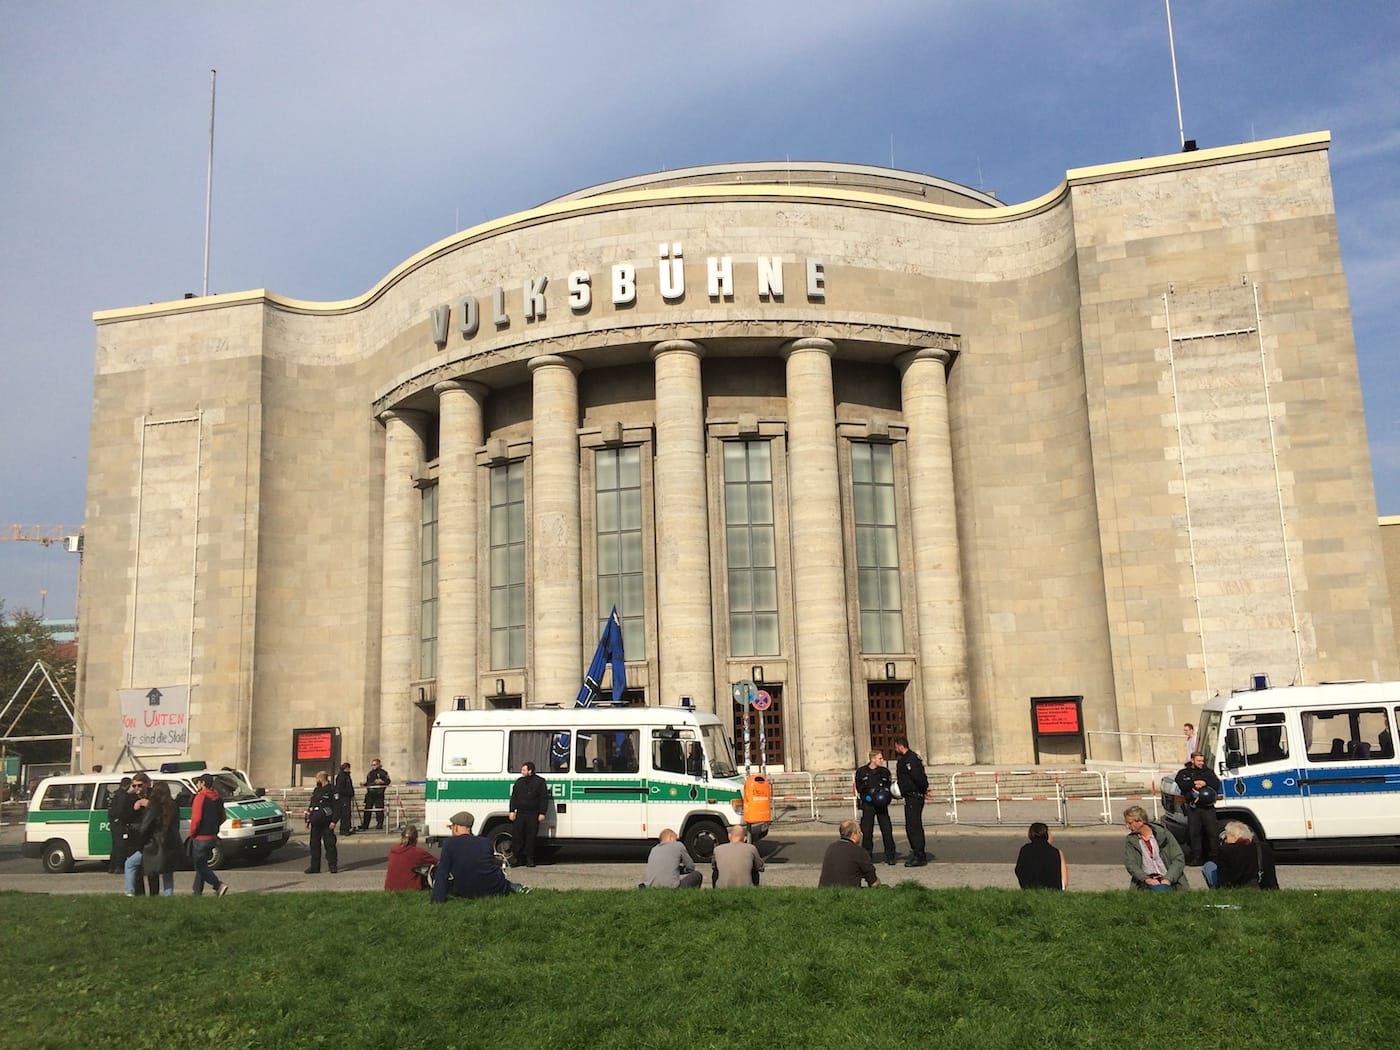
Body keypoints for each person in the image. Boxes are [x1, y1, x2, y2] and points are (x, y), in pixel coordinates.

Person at [431, 811, 528, 900]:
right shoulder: (485, 842)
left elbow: (442, 872)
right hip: (492, 887)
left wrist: (437, 899)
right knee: (501, 880)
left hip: (466, 889)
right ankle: (516, 887)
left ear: (456, 827)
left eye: (452, 826)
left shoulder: (449, 843)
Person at [1123, 805, 1189, 891]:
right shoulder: (1131, 840)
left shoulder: (1164, 834)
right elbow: (1131, 864)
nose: (1127, 826)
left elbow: (1178, 859)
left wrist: (1168, 879)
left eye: (1130, 823)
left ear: (1140, 821)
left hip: (1169, 880)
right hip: (1146, 882)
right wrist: (1146, 879)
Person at [1174, 751, 1222, 865]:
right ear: (1192, 760)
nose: (1201, 763)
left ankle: (1214, 857)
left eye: (1202, 761)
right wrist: (1194, 783)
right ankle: (1197, 857)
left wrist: (1205, 783)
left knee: (1212, 832)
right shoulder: (1184, 772)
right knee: (1194, 833)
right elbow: (1181, 784)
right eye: (1199, 761)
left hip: (1207, 808)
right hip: (1193, 808)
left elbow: (1216, 784)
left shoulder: (1208, 772)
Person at [1204, 821, 1279, 890]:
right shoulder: (1263, 847)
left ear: (1235, 836)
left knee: (1208, 866)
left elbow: (1223, 878)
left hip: (1234, 887)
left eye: (1226, 837)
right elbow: (1270, 875)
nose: (1225, 840)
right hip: (1260, 886)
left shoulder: (1226, 850)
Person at [892, 736, 932, 866]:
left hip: (914, 796)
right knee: (912, 825)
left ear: (900, 745)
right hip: (911, 795)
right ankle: (918, 853)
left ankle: (919, 855)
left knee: (913, 826)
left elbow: (918, 777)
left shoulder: (910, 759)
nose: (895, 748)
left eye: (896, 746)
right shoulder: (909, 758)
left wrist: (924, 789)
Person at [138, 781, 183, 896]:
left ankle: (154, 897)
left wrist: (142, 839)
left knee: (153, 872)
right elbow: (176, 824)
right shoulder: (173, 804)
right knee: (168, 873)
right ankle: (168, 896)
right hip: (171, 841)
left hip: (155, 842)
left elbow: (145, 826)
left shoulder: (154, 805)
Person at [189, 773, 230, 896]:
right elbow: (223, 817)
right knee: (202, 865)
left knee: (200, 866)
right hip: (212, 836)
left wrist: (192, 833)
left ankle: (218, 885)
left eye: (198, 783)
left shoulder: (200, 797)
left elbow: (196, 818)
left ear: (202, 784)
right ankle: (197, 892)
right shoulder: (217, 798)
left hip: (200, 837)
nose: (197, 785)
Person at [854, 749, 897, 865]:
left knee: (887, 830)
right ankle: (867, 855)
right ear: (873, 759)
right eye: (880, 758)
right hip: (868, 805)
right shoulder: (861, 772)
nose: (882, 760)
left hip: (882, 805)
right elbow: (859, 788)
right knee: (867, 831)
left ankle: (890, 855)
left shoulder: (885, 772)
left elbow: (888, 786)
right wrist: (866, 797)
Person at [508, 761, 549, 867]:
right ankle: (517, 858)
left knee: (531, 837)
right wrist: (512, 811)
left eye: (523, 770)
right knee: (518, 836)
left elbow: (544, 798)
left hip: (533, 814)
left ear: (530, 771)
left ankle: (529, 859)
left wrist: (542, 812)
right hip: (521, 813)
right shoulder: (519, 782)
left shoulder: (540, 782)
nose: (521, 772)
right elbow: (514, 797)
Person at [819, 820, 881, 888]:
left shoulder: (831, 847)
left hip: (825, 891)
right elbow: (873, 882)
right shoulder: (859, 851)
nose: (861, 835)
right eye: (859, 832)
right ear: (853, 835)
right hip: (848, 893)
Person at [122, 774, 153, 896]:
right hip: (134, 837)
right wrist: (134, 809)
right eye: (134, 785)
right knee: (136, 869)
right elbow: (124, 818)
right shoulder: (130, 798)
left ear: (147, 784)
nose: (137, 788)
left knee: (151, 869)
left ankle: (154, 895)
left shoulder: (153, 796)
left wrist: (149, 805)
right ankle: (139, 894)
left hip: (149, 837)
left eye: (139, 785)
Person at [304, 770, 339, 874]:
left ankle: (332, 865)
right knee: (314, 845)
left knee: (330, 845)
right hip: (316, 822)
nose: (316, 780)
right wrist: (308, 818)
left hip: (327, 822)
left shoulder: (332, 789)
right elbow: (312, 804)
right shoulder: (317, 790)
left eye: (317, 778)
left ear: (321, 778)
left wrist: (334, 821)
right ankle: (315, 867)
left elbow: (337, 807)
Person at [1014, 821, 1067, 890]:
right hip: (1052, 892)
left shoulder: (1024, 850)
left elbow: (1018, 870)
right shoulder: (1056, 852)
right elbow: (1064, 882)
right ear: (1046, 835)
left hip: (1028, 890)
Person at [384, 824, 439, 890]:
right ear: (416, 839)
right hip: (410, 888)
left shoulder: (393, 850)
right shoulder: (418, 852)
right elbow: (437, 862)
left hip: (390, 888)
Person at [107, 776, 135, 875]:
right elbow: (121, 810)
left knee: (115, 845)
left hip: (114, 823)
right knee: (121, 845)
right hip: (120, 824)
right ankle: (119, 867)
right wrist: (124, 819)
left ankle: (112, 866)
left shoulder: (116, 793)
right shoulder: (124, 796)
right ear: (127, 785)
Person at [360, 758, 391, 831]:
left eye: (375, 764)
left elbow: (388, 781)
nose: (373, 766)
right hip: (370, 794)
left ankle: (379, 824)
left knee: (379, 810)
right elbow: (369, 782)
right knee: (367, 809)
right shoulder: (370, 773)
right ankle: (365, 825)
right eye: (372, 765)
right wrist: (364, 784)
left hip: (379, 794)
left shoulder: (383, 773)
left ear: (379, 764)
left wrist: (382, 781)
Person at [335, 762, 356, 836]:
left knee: (347, 814)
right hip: (343, 798)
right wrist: (349, 793)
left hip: (347, 797)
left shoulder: (347, 776)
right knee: (345, 814)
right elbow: (340, 788)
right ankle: (344, 829)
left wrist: (352, 793)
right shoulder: (341, 776)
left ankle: (347, 827)